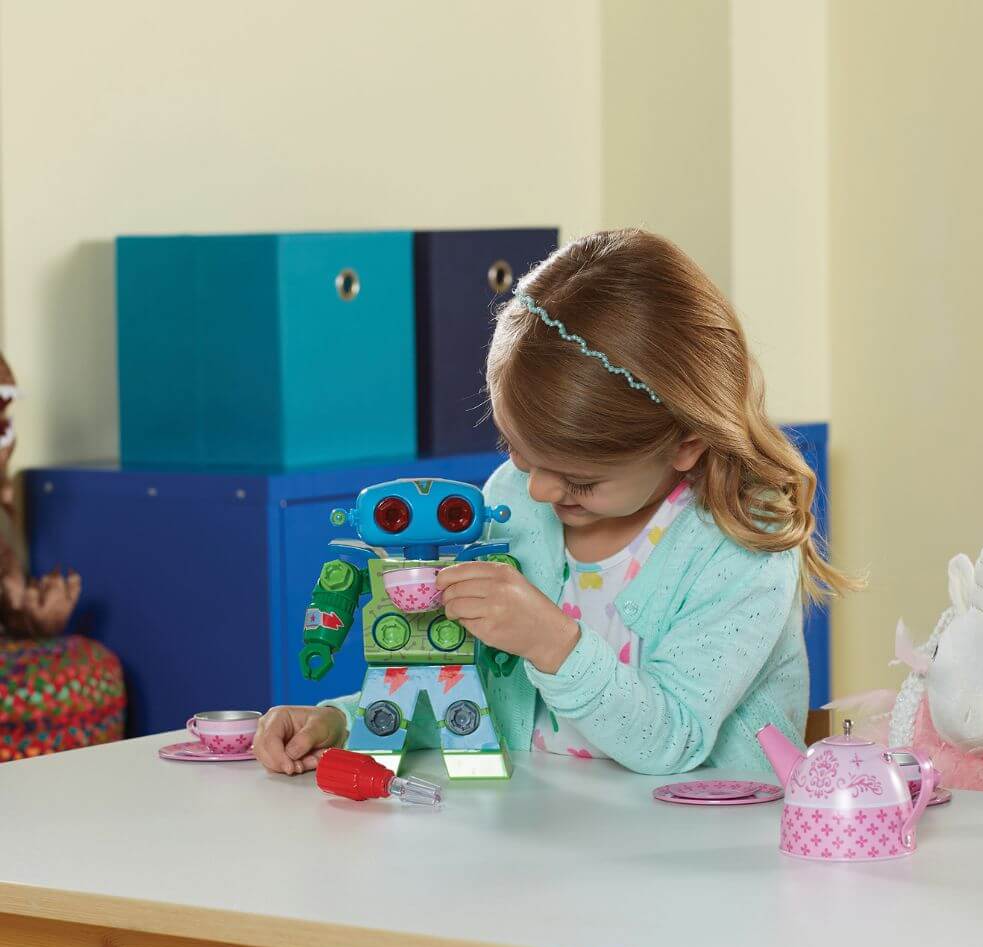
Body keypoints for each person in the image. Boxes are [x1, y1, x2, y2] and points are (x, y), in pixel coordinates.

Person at [254, 229, 857, 776]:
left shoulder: (739, 545)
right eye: (516, 449)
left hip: (699, 856)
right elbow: (464, 679)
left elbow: (675, 739)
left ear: (685, 445)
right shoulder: (513, 499)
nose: (538, 490)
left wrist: (553, 642)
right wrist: (345, 720)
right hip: (546, 837)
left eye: (579, 481)